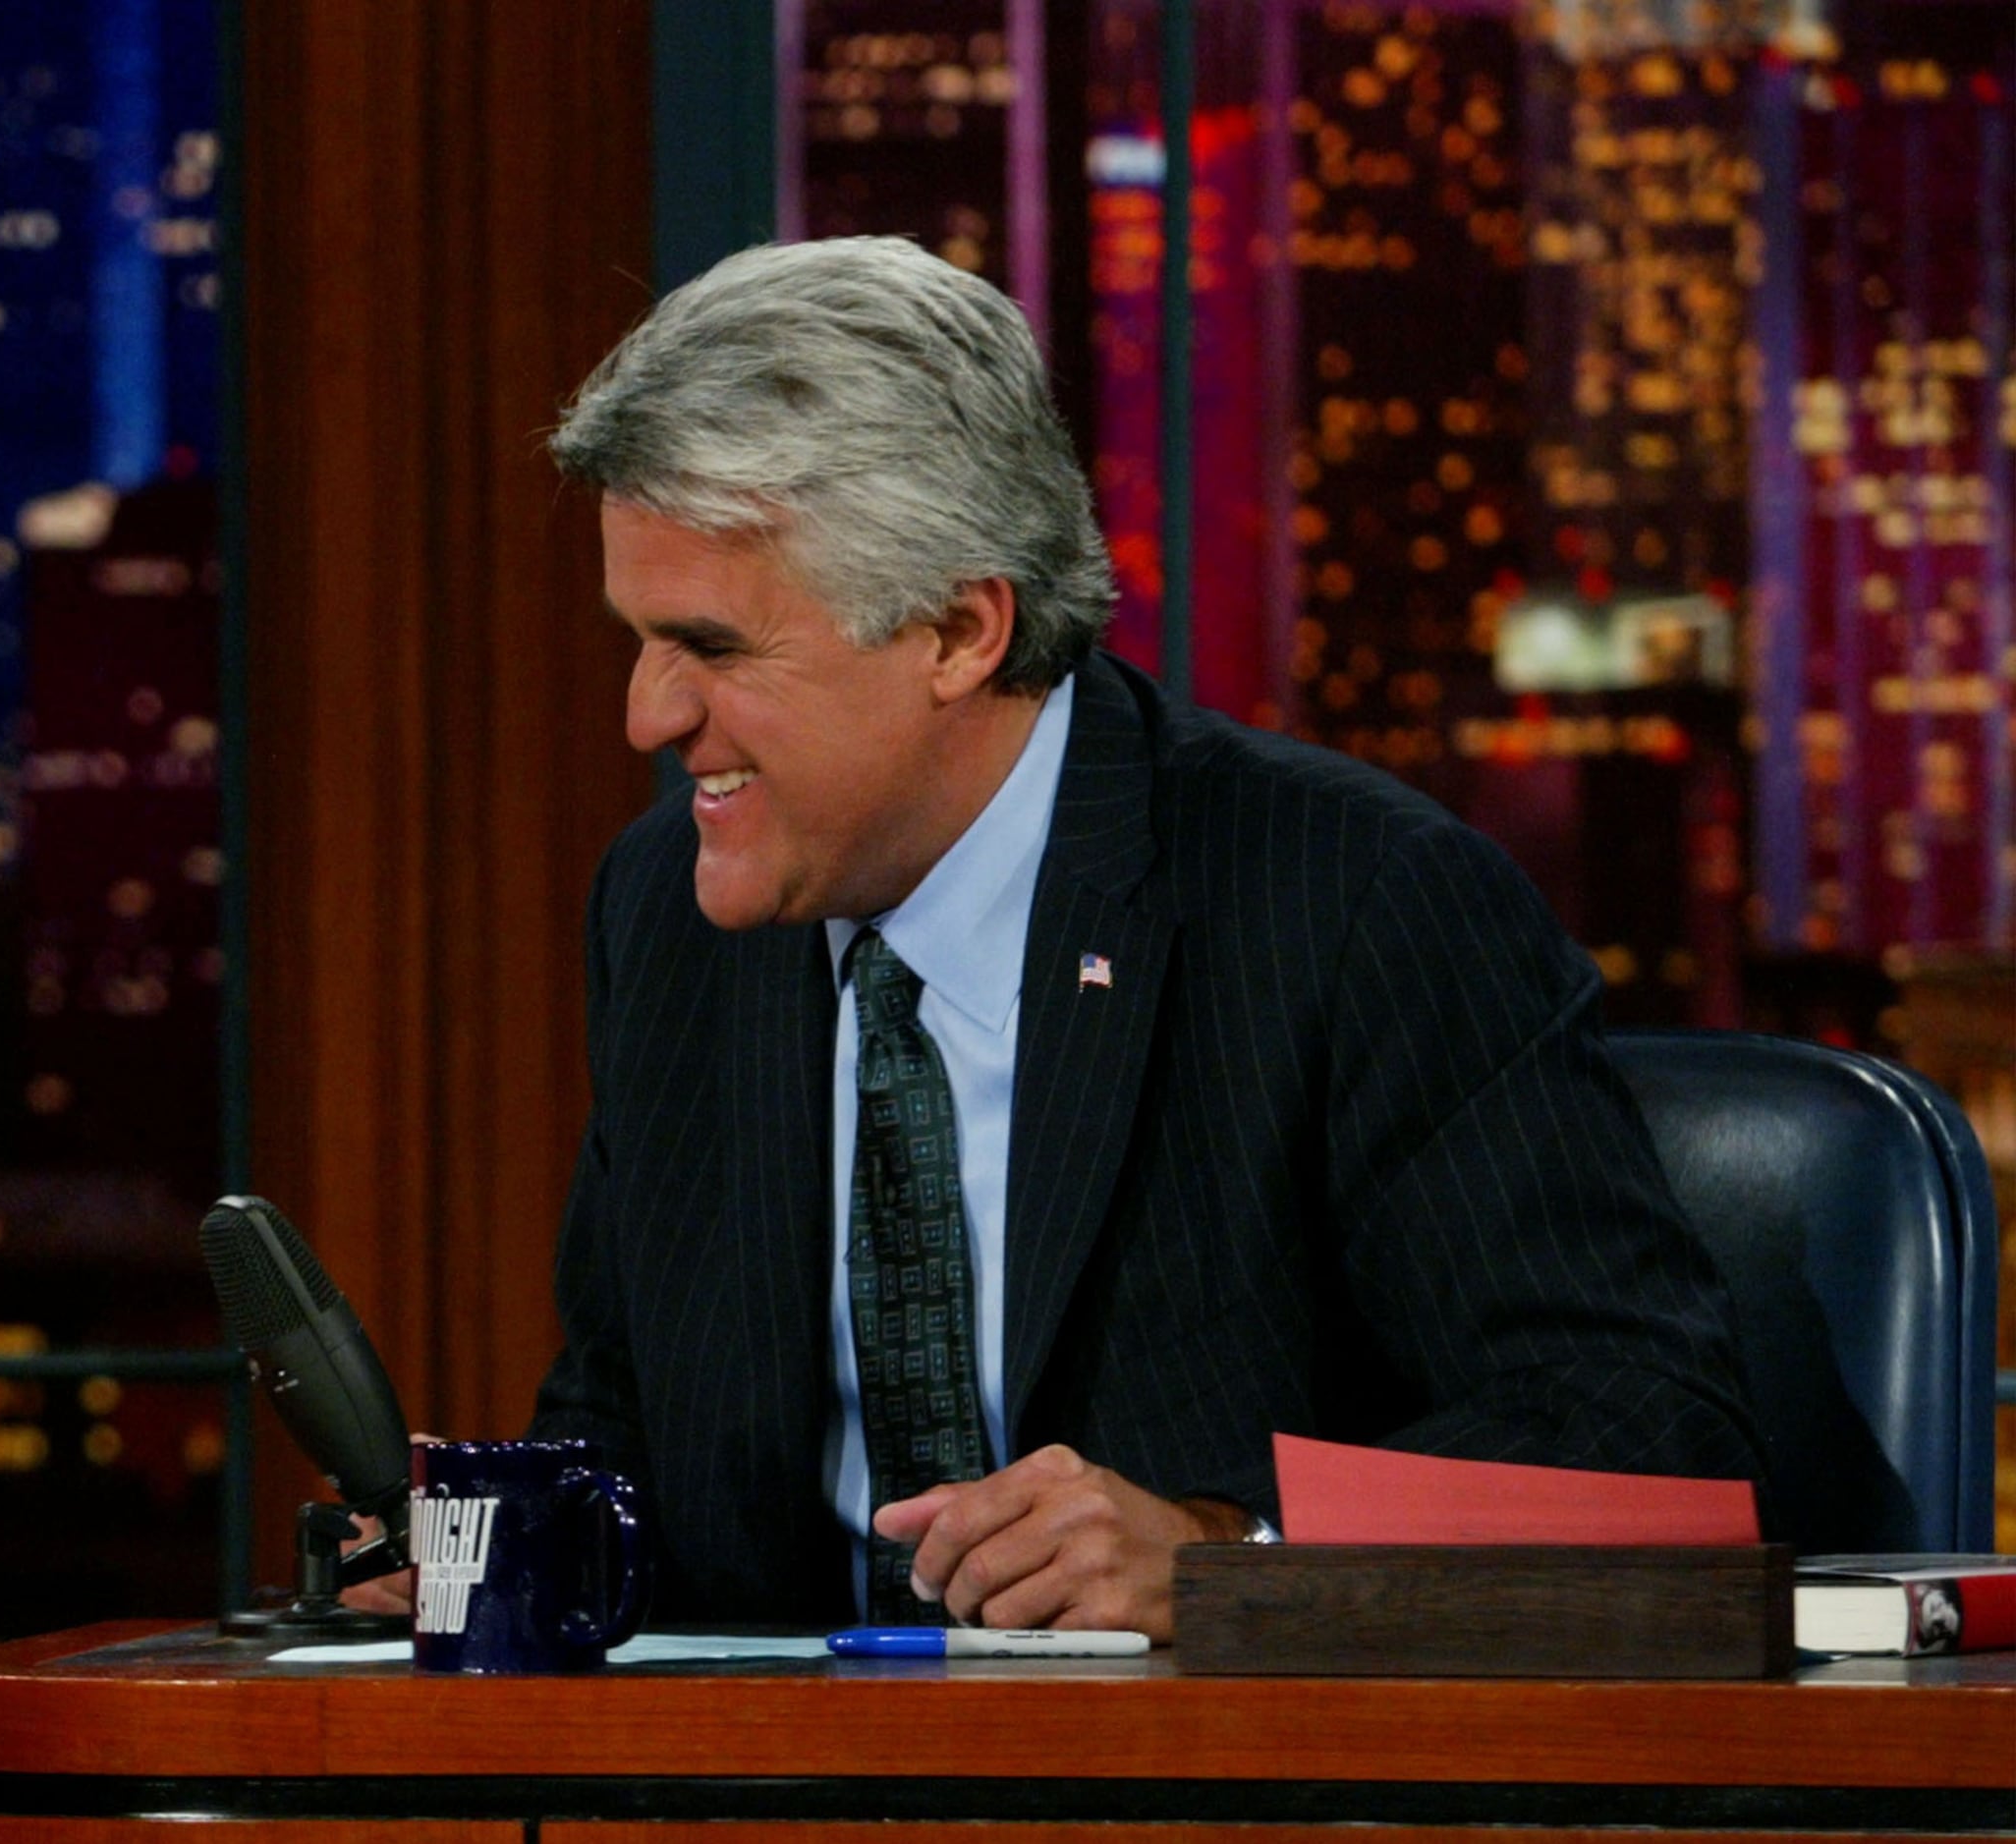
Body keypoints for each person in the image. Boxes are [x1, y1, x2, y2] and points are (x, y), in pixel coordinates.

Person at [403, 237, 1759, 1635]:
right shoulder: (668, 916)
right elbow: (622, 1425)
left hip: (1234, 1819)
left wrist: (1231, 1556)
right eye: (638, 638)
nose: (648, 715)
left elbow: (1652, 1441)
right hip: (773, 1817)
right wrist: (485, 1554)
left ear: (956, 628)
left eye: (714, 648)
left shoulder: (1354, 903)